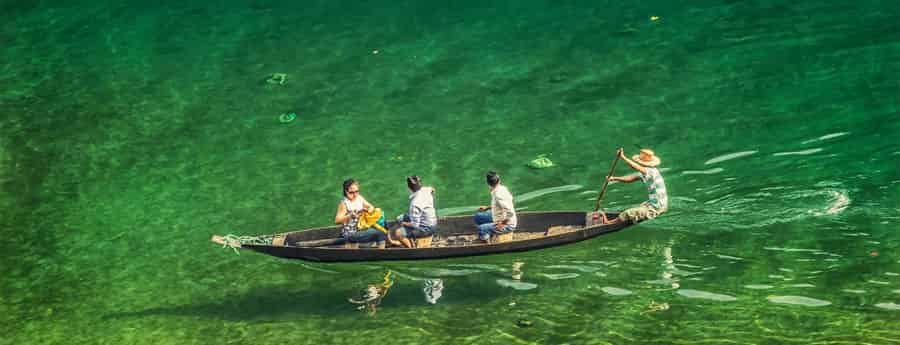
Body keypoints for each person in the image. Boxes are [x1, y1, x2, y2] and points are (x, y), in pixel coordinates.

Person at [602, 148, 668, 224]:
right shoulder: (644, 172)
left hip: (657, 207)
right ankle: (633, 217)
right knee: (640, 207)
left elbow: (634, 166)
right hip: (653, 203)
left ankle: (609, 223)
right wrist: (614, 178)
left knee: (627, 213)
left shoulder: (651, 171)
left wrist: (623, 157)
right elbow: (630, 179)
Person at [334, 179, 387, 248]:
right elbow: (337, 220)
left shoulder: (359, 198)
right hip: (351, 233)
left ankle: (376, 243)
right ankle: (380, 251)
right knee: (379, 233)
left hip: (362, 229)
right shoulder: (344, 203)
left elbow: (371, 207)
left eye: (357, 191)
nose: (355, 194)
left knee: (383, 224)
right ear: (346, 192)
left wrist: (367, 210)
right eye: (351, 192)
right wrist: (350, 215)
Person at [392, 176, 438, 248]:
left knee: (398, 233)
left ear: (409, 188)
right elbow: (432, 189)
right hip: (432, 222)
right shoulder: (426, 190)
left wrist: (403, 224)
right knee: (400, 218)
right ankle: (410, 237)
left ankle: (411, 249)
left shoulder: (415, 204)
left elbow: (415, 225)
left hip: (426, 228)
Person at [473, 171, 517, 242]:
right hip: (500, 216)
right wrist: (487, 207)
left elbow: (510, 213)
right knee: (478, 217)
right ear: (499, 181)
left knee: (481, 229)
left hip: (508, 225)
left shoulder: (498, 195)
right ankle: (489, 231)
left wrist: (502, 224)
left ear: (488, 183)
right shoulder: (502, 188)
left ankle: (486, 240)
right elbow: (509, 203)